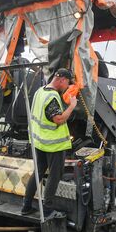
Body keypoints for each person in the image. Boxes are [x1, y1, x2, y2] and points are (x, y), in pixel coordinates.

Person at [21, 68, 77, 215]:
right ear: (62, 80)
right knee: (55, 175)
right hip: (53, 144)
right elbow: (58, 119)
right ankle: (47, 209)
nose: (67, 88)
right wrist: (71, 106)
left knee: (38, 172)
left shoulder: (41, 91)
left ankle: (26, 206)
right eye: (67, 84)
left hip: (39, 141)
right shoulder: (52, 96)